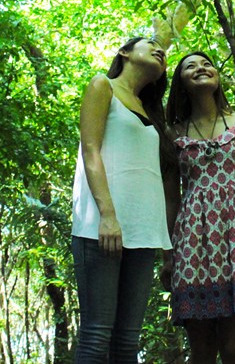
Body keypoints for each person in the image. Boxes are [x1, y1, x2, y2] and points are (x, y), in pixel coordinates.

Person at [164, 51, 235, 364]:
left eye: (207, 63)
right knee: (201, 350)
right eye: (191, 66)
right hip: (191, 244)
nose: (201, 68)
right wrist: (167, 254)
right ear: (181, 84)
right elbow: (171, 197)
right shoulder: (174, 134)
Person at [71, 36, 172, 363]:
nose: (160, 50)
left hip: (142, 233)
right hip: (101, 227)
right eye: (151, 43)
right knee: (96, 336)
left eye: (164, 50)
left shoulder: (149, 110)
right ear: (125, 52)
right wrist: (108, 214)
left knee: (128, 341)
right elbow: (91, 151)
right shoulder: (104, 86)